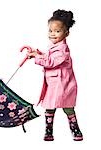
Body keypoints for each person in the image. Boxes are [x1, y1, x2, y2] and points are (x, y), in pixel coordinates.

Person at [27, 9, 83, 141]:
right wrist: (38, 53)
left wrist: (37, 57)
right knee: (49, 108)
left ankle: (76, 131)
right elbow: (49, 57)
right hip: (54, 85)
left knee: (68, 108)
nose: (52, 34)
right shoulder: (56, 46)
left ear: (66, 33)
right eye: (50, 31)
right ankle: (48, 132)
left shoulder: (63, 50)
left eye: (57, 31)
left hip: (64, 85)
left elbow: (51, 62)